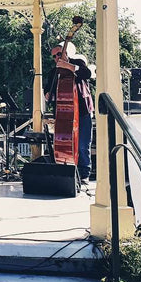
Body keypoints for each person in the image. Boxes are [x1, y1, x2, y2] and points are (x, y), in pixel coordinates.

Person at [43, 45, 94, 184]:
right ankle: (67, 171)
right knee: (63, 143)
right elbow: (48, 90)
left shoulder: (77, 63)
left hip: (82, 110)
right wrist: (47, 94)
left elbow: (87, 74)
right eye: (54, 56)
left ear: (65, 52)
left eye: (59, 54)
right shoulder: (53, 73)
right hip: (63, 114)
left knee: (83, 145)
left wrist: (69, 66)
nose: (56, 58)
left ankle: (84, 174)